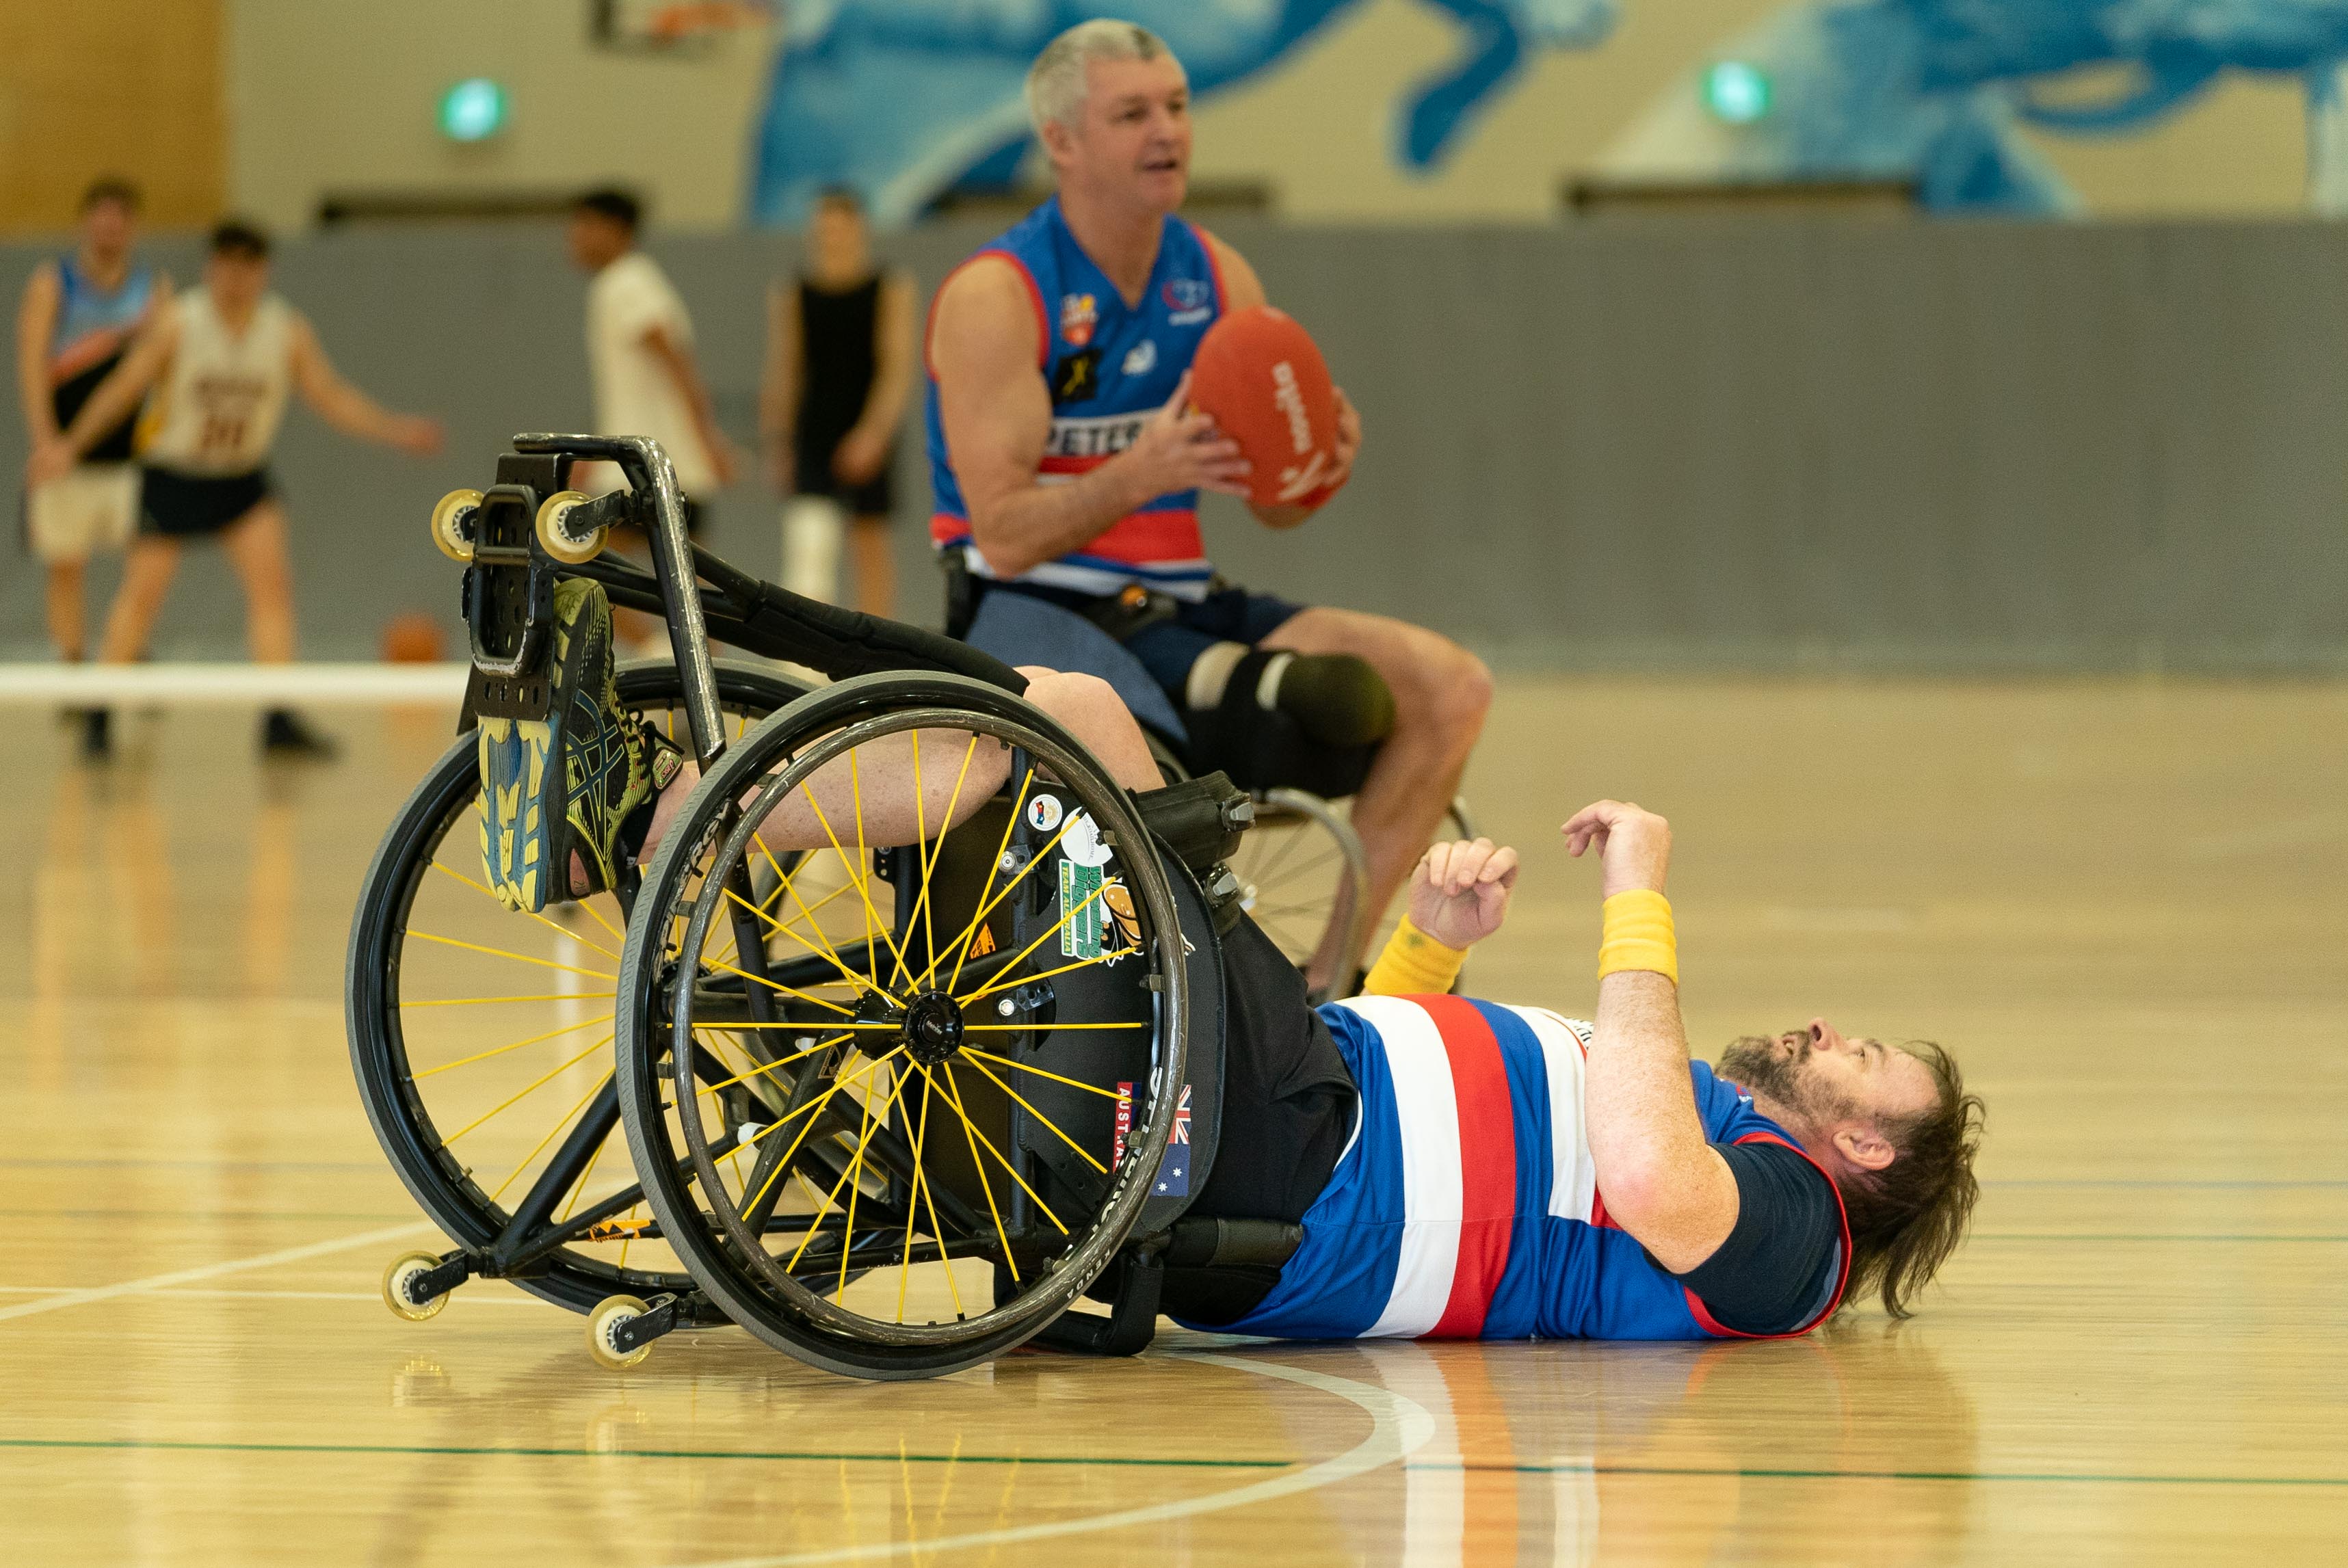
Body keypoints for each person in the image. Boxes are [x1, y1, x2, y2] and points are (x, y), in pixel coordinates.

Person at [486, 576, 1986, 1336]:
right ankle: (705, 784)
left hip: (1285, 1174)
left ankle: (677, 816)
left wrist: (1640, 895)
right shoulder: (1722, 1133)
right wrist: (1432, 949)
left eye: (1857, 1057)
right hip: (1305, 1099)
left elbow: (1654, 1188)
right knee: (1070, 735)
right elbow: (1437, 1091)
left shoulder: (1796, 1239)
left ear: (1860, 1142)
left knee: (1071, 726)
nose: (1818, 1027)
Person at [925, 20, 1494, 987]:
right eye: (1133, 113)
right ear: (1062, 141)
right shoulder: (1000, 293)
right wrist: (1140, 472)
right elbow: (1006, 537)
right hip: (1040, 610)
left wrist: (1311, 467)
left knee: (1449, 687)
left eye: (1178, 107)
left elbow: (1275, 510)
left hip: (1179, 599)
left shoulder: (1218, 277)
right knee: (1268, 715)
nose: (1168, 131)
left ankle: (1333, 984)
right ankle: (1169, 991)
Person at [30, 220, 443, 758]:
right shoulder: (180, 321)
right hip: (175, 473)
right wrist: (70, 445)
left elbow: (329, 394)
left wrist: (393, 429)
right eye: (225, 264)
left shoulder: (285, 328)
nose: (235, 277)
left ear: (262, 272)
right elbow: (123, 388)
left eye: (247, 266)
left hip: (242, 478)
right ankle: (100, 712)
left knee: (274, 588)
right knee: (142, 595)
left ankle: (277, 716)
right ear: (210, 267)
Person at [16, 177, 169, 752]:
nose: (109, 228)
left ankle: (126, 655)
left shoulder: (152, 288)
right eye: (100, 218)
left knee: (145, 564)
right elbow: (32, 359)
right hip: (64, 457)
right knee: (66, 565)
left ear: (132, 226)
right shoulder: (55, 282)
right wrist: (46, 442)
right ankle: (75, 671)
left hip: (131, 454)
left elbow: (158, 369)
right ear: (86, 223)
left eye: (120, 218)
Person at [568, 188, 738, 648]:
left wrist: (707, 436)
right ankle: (691, 659)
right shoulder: (628, 282)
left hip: (648, 463)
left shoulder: (626, 283)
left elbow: (674, 358)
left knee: (583, 556)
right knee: (682, 571)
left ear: (614, 230)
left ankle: (672, 655)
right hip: (653, 461)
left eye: (584, 225)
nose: (574, 238)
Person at [759, 187, 916, 615]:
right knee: (809, 545)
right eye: (823, 230)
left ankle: (878, 658)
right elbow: (785, 368)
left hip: (865, 422)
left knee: (870, 543)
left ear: (859, 230)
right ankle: (806, 661)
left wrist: (874, 434)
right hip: (815, 424)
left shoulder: (890, 286)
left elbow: (896, 367)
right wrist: (780, 441)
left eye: (840, 229)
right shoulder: (794, 290)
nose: (831, 238)